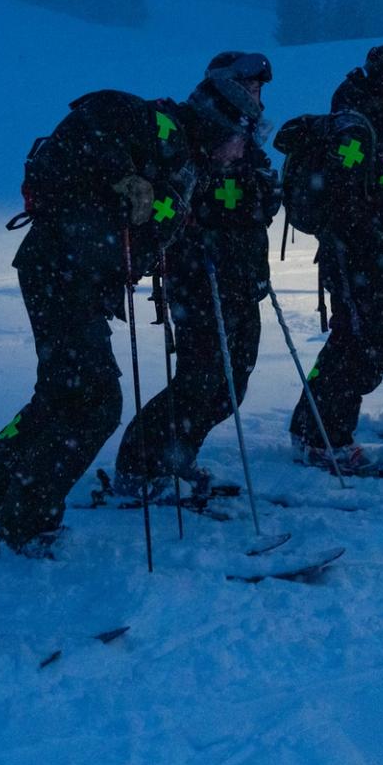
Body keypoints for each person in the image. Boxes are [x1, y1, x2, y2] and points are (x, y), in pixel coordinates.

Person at [0, 86, 195, 555]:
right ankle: (23, 522)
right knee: (94, 402)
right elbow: (84, 134)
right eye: (239, 136)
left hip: (74, 276)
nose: (240, 149)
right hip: (62, 271)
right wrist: (124, 176)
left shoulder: (181, 163)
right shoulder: (147, 122)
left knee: (61, 398)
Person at [111, 52, 278, 495]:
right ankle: (141, 464)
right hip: (198, 276)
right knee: (200, 378)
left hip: (243, 276)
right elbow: (175, 201)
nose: (254, 93)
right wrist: (210, 197)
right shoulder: (196, 133)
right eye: (246, 84)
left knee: (232, 384)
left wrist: (247, 186)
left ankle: (176, 457)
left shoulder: (246, 139)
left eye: (258, 86)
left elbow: (268, 198)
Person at [279, 44, 383, 470]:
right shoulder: (355, 131)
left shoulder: (369, 124)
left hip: (367, 259)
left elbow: (370, 196)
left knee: (356, 345)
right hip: (353, 260)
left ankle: (313, 427)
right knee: (362, 348)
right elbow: (345, 202)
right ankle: (324, 436)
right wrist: (377, 240)